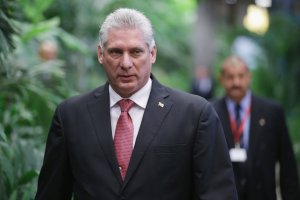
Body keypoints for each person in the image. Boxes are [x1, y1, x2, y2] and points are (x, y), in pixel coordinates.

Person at [35, 8, 238, 200]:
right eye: (115, 52)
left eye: (135, 52)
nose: (125, 63)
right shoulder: (71, 116)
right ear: (100, 54)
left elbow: (217, 195)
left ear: (152, 54)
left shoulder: (195, 114)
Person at [212, 55, 300, 200]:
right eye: (230, 77)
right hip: (225, 194)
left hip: (262, 193)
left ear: (249, 77)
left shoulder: (272, 112)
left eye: (241, 76)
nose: (236, 82)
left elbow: (287, 163)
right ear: (221, 79)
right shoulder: (210, 111)